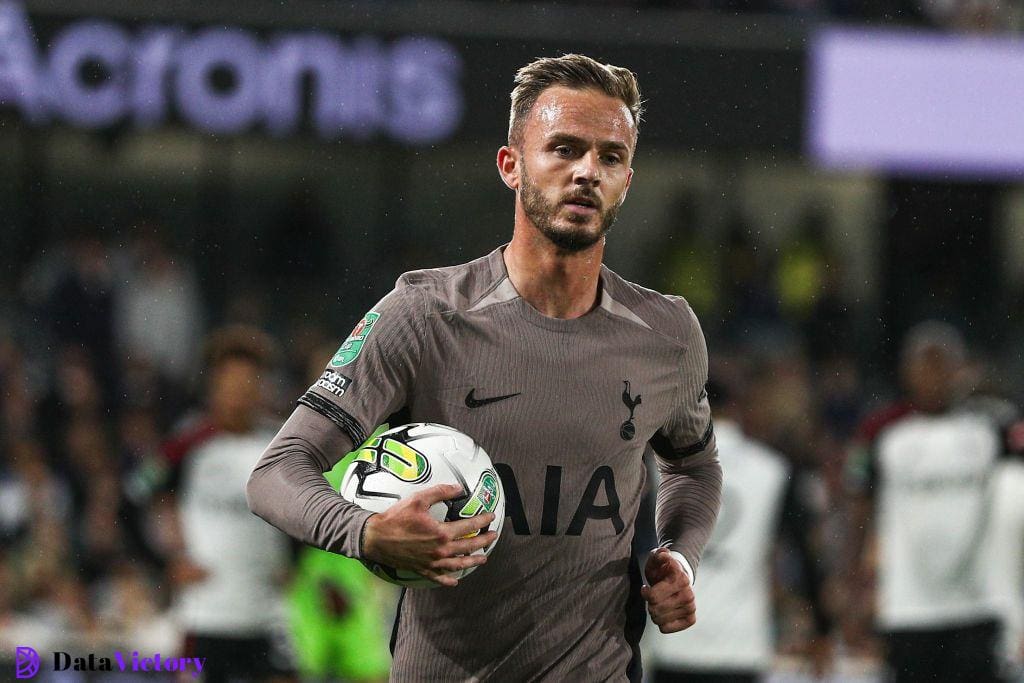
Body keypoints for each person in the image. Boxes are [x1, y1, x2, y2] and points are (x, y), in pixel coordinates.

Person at [247, 53, 723, 681]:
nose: (587, 172)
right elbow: (277, 471)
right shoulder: (423, 315)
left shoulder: (668, 334)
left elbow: (693, 465)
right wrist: (364, 532)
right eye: (563, 149)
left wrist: (678, 557)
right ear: (510, 164)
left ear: (627, 181)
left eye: (609, 157)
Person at [844, 321, 1008, 682]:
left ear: (960, 370)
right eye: (925, 365)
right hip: (908, 606)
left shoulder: (990, 429)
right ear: (907, 372)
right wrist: (853, 588)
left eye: (943, 365)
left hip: (976, 604)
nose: (934, 376)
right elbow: (857, 506)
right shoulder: (879, 432)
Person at [645, 374, 832, 682]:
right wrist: (822, 629)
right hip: (741, 647)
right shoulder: (772, 469)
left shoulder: (659, 465)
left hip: (675, 644)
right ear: (736, 408)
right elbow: (804, 551)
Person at [160, 326, 293, 682]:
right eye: (230, 385)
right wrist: (167, 562)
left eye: (248, 385)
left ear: (261, 388)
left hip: (269, 614)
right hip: (205, 616)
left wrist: (295, 560)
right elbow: (129, 501)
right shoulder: (186, 444)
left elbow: (313, 506)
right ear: (213, 389)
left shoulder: (282, 444)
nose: (238, 395)